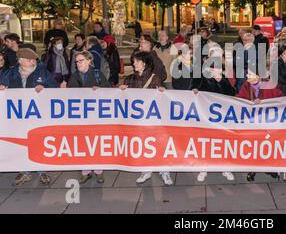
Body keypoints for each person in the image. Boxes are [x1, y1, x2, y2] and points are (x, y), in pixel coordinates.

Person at [0, 48, 56, 186]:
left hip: (38, 116)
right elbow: (3, 85)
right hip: (17, 117)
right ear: (21, 61)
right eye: (29, 59)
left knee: (38, 142)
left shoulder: (42, 71)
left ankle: (42, 171)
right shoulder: (11, 73)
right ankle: (24, 171)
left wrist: (44, 87)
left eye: (33, 59)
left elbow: (54, 87)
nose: (33, 61)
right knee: (20, 143)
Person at [118, 51, 173, 185]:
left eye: (137, 61)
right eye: (133, 61)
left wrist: (162, 91)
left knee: (159, 143)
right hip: (138, 120)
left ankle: (164, 170)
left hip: (154, 120)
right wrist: (121, 91)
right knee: (144, 144)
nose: (134, 63)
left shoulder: (155, 79)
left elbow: (162, 98)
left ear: (145, 63)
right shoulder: (129, 79)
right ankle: (146, 169)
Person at [63, 51, 110, 184]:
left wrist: (99, 90)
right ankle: (85, 171)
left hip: (96, 116)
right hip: (80, 117)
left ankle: (99, 171)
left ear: (89, 61)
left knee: (96, 143)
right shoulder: (73, 76)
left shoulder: (97, 74)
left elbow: (108, 91)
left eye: (81, 60)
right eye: (76, 61)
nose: (78, 63)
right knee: (82, 143)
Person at [236, 71, 283, 182]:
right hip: (253, 122)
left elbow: (280, 98)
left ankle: (270, 168)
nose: (247, 76)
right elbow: (240, 98)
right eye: (247, 73)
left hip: (267, 120)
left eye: (250, 74)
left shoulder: (269, 85)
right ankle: (252, 168)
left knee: (267, 144)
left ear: (258, 76)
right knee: (254, 144)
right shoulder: (246, 85)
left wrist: (264, 102)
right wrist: (249, 102)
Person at [193, 65, 236, 182]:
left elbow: (233, 94)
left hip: (222, 119)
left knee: (222, 144)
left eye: (217, 70)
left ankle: (225, 168)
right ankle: (204, 168)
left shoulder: (224, 81)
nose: (215, 72)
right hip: (208, 119)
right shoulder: (205, 81)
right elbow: (197, 92)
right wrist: (195, 91)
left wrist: (222, 81)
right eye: (213, 70)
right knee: (207, 143)